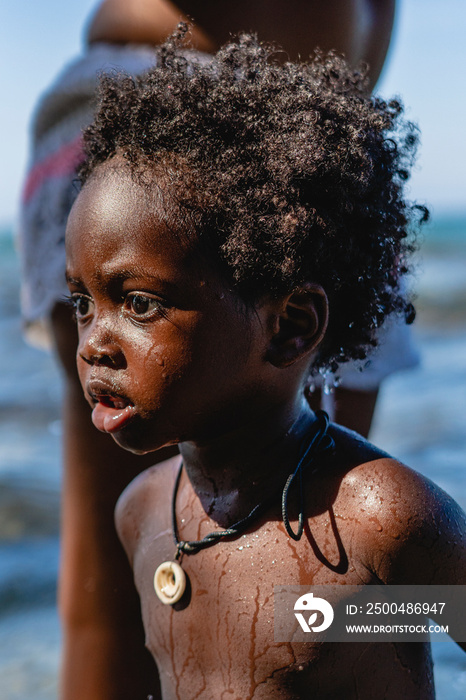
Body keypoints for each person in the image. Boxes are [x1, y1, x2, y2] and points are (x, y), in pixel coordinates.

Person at [18, 1, 414, 696]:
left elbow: (445, 611)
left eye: (136, 305)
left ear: (294, 326)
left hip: (300, 162)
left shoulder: (384, 515)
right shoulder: (144, 511)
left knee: (320, 584)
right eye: (82, 302)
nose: (93, 345)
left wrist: (339, 619)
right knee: (114, 613)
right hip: (168, 128)